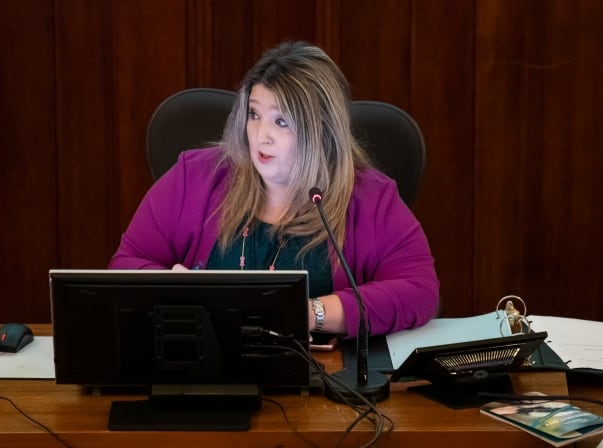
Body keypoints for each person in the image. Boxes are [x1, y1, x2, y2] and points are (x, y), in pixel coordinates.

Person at [109, 41, 439, 337]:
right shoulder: (194, 176)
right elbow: (126, 264)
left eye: (281, 121)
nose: (260, 135)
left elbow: (420, 292)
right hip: (206, 364)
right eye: (254, 114)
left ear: (321, 131)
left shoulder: (370, 198)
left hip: (322, 378)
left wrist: (310, 314)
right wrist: (169, 287)